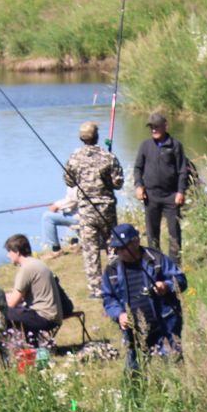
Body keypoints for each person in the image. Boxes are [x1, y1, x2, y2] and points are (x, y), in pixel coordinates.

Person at [99, 221, 186, 375]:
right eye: (118, 249)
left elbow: (180, 280)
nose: (122, 252)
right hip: (134, 332)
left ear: (136, 241)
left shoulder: (156, 258)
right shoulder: (112, 269)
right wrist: (119, 314)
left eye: (125, 247)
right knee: (134, 376)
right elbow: (108, 298)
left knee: (174, 370)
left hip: (164, 325)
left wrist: (166, 286)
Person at [64, 120, 125, 298]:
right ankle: (117, 282)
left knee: (90, 250)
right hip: (106, 208)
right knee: (112, 246)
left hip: (86, 210)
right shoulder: (108, 157)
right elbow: (118, 183)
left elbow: (69, 181)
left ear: (81, 138)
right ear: (97, 137)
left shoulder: (74, 158)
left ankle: (96, 289)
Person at [132, 111, 189, 261]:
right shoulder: (145, 145)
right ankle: (155, 263)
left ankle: (175, 265)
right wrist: (139, 185)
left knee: (174, 232)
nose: (154, 130)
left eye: (156, 126)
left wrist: (181, 191)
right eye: (151, 127)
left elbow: (183, 171)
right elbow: (138, 168)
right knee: (152, 233)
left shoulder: (175, 145)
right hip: (151, 196)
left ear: (165, 126)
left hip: (171, 196)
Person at [1, 233, 73, 350]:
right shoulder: (37, 263)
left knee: (2, 312)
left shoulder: (26, 268)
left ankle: (10, 349)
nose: (8, 255)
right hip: (53, 316)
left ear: (17, 251)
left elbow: (12, 303)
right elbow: (24, 295)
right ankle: (31, 345)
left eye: (9, 252)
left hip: (44, 317)